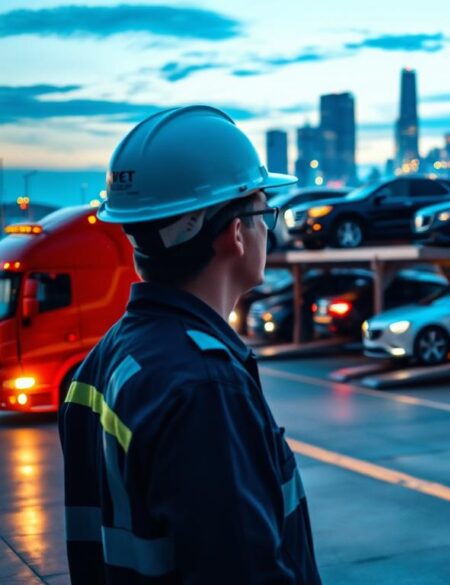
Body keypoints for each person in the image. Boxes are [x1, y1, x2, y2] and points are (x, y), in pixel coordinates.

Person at [59, 106, 321, 583]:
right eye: (265, 210)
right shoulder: (204, 386)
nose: (269, 227)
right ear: (235, 234)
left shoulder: (104, 362)